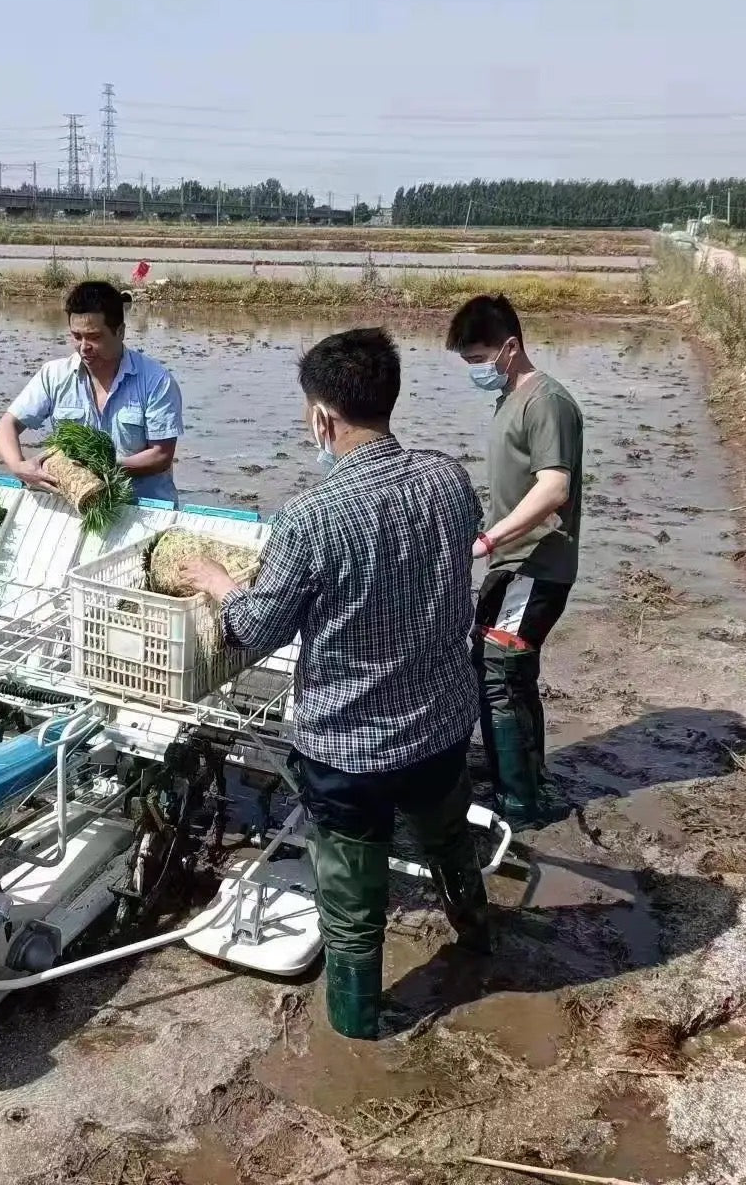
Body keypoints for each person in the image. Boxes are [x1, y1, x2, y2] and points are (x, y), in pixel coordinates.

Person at [179, 327, 489, 1041]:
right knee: (448, 843)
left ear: (322, 417)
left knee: (352, 908)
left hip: (348, 752)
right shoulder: (448, 479)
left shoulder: (309, 519)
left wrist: (220, 584)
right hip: (441, 725)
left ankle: (355, 1034)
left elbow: (256, 631)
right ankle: (477, 935)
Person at [447, 294, 584, 831]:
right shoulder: (509, 396)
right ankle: (528, 778)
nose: (476, 370)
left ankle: (520, 802)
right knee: (505, 671)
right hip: (513, 562)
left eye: (480, 358)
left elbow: (553, 488)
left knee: (500, 673)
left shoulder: (547, 402)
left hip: (535, 562)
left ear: (510, 346)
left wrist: (486, 541)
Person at [0, 281, 184, 504]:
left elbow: (161, 455)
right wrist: (20, 467)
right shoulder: (54, 375)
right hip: (79, 503)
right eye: (76, 336)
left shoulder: (156, 381)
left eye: (94, 337)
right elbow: (5, 426)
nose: (84, 346)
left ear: (120, 332)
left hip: (143, 506)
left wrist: (96, 469)